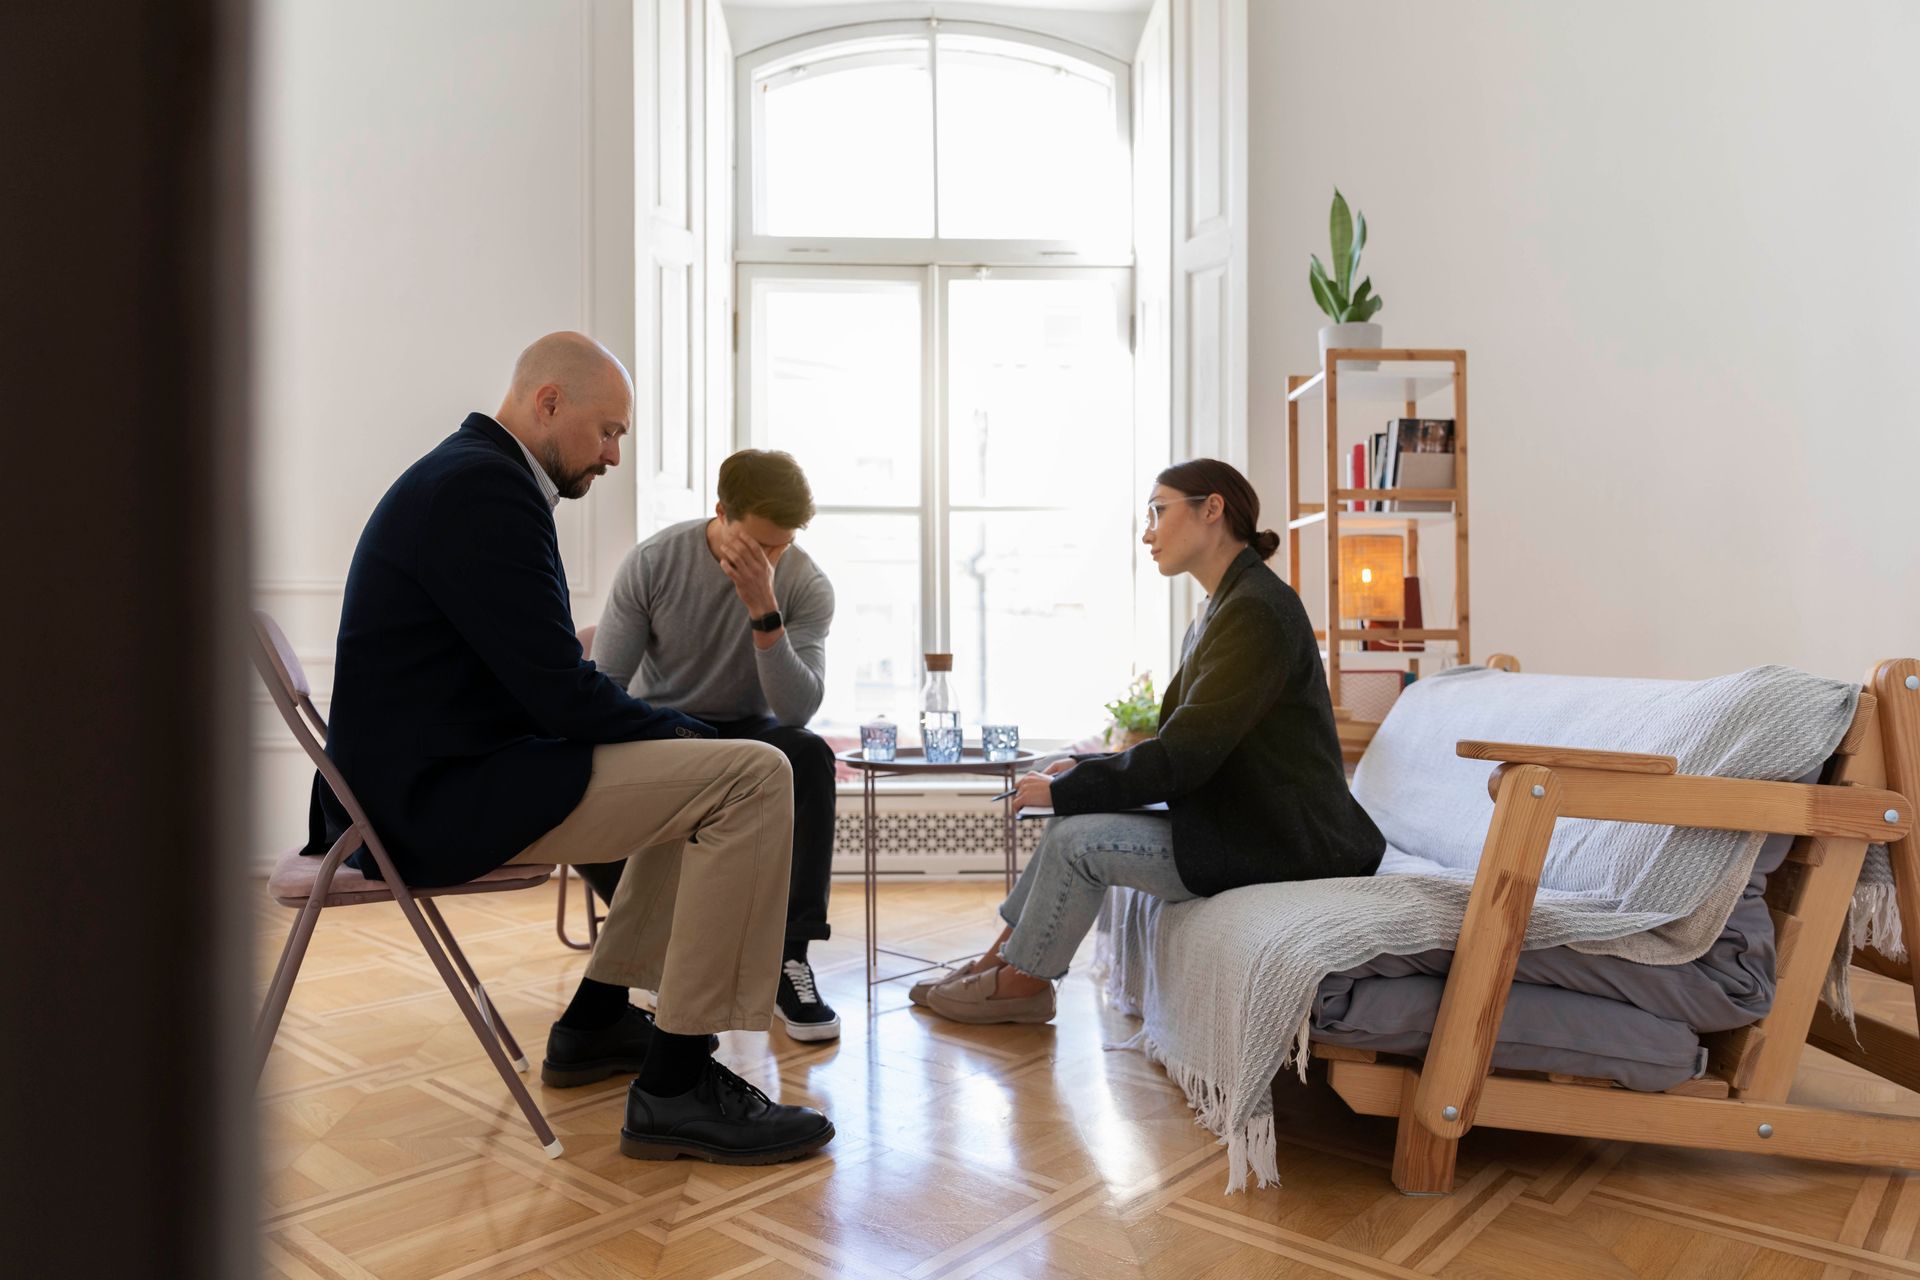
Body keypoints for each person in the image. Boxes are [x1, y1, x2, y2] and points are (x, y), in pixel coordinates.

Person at [307, 332, 834, 1164]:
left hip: (434, 779)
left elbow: (542, 679)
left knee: (714, 775)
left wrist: (679, 740)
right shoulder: (485, 490)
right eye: (609, 430)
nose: (616, 454)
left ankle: (594, 1022)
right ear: (549, 402)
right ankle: (677, 1087)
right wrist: (688, 732)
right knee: (753, 774)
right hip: (437, 800)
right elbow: (559, 690)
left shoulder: (471, 474)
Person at [910, 458, 1385, 1025]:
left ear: (1212, 509)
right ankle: (999, 963)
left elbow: (1184, 755)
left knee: (1077, 840)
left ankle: (1020, 985)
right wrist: (1083, 770)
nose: (1148, 531)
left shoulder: (1255, 611)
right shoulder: (1224, 607)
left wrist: (1068, 789)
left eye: (1159, 511)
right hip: (1242, 818)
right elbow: (1185, 739)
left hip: (1280, 841)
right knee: (1070, 823)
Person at [584, 450, 842, 1041]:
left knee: (809, 753)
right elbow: (605, 688)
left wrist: (763, 607)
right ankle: (662, 946)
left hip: (748, 731)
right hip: (658, 728)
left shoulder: (803, 582)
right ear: (722, 512)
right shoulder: (655, 561)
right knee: (574, 765)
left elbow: (797, 709)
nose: (769, 559)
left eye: (781, 546)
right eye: (757, 546)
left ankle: (788, 957)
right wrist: (672, 731)